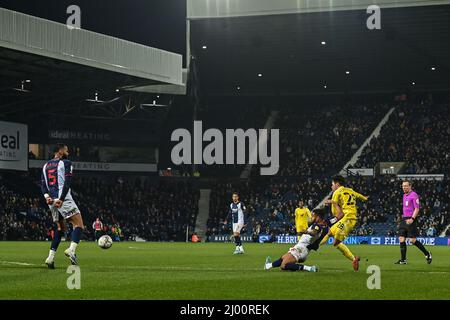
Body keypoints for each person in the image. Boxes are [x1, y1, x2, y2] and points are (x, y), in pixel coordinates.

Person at [42, 143, 84, 269]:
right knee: (79, 225)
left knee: (61, 229)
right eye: (66, 150)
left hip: (51, 201)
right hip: (62, 198)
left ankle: (50, 257)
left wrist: (47, 197)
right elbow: (67, 182)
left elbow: (43, 184)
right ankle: (71, 250)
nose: (68, 153)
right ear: (60, 151)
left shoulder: (45, 166)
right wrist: (61, 198)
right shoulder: (66, 163)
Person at [320, 175, 368, 271]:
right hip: (349, 218)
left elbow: (335, 212)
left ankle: (309, 247)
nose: (331, 186)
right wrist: (365, 198)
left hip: (348, 219)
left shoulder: (336, 192)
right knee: (329, 233)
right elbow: (360, 196)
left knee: (336, 241)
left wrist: (330, 204)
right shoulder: (350, 190)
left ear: (337, 184)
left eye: (332, 184)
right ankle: (354, 259)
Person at [263, 208, 329, 272]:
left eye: (313, 215)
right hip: (302, 248)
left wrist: (306, 232)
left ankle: (309, 268)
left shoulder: (317, 226)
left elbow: (314, 233)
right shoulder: (322, 226)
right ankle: (268, 265)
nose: (311, 217)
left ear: (318, 217)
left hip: (301, 248)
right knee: (283, 258)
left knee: (284, 265)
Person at [395, 180, 432, 265]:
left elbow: (417, 208)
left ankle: (427, 254)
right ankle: (403, 260)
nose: (404, 187)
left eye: (406, 186)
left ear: (410, 186)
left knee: (413, 241)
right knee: (401, 239)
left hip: (411, 219)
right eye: (403, 186)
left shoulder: (414, 195)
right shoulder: (404, 195)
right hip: (404, 219)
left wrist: (412, 218)